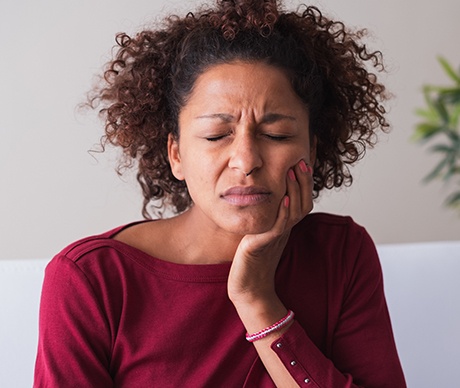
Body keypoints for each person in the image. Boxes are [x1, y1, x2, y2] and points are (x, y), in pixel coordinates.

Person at [34, 0, 406, 386]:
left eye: (276, 135)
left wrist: (256, 298)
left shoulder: (340, 254)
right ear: (176, 154)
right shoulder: (92, 281)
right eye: (216, 135)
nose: (245, 161)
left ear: (311, 149)